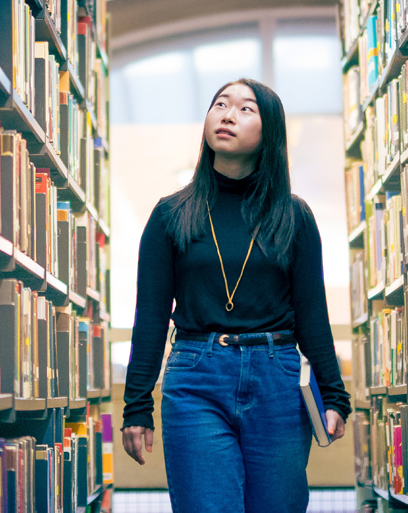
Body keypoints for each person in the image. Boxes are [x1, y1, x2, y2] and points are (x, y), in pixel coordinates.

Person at [120, 78, 352, 512]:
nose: (227, 114)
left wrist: (335, 393)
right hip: (195, 377)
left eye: (246, 109)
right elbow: (150, 316)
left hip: (278, 378)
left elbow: (311, 313)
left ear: (270, 134)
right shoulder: (170, 215)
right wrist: (136, 406)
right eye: (220, 104)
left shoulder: (294, 216)